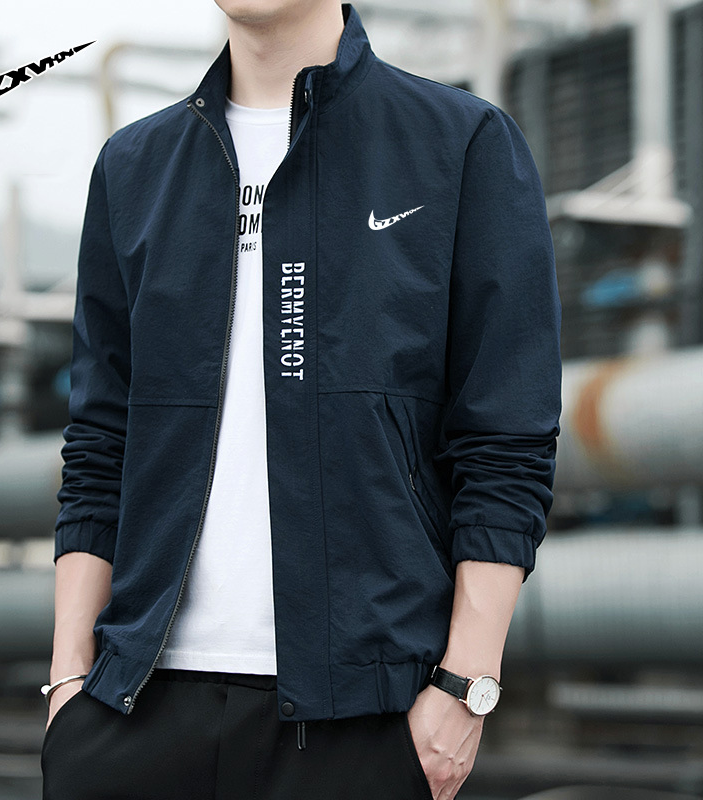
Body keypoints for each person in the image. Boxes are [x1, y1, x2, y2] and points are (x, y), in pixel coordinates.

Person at [40, 1, 562, 798]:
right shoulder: (134, 167)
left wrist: (466, 687)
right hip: (132, 711)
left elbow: (507, 439)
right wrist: (68, 684)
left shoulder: (458, 144)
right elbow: (99, 441)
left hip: (362, 721)